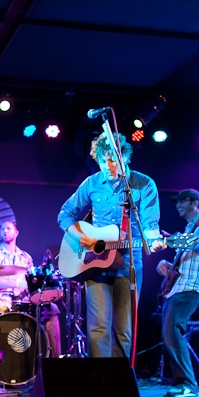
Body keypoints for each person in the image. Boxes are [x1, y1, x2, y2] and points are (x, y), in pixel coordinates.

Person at [57, 132, 164, 359]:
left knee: (124, 330)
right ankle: (99, 381)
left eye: (113, 159)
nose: (108, 165)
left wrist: (154, 241)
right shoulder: (92, 183)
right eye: (103, 160)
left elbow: (150, 222)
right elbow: (65, 214)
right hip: (95, 263)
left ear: (125, 156)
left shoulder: (143, 184)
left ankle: (119, 382)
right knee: (98, 327)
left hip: (129, 264)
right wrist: (80, 236)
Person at [156, 188, 199, 397]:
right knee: (170, 333)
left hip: (192, 286)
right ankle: (196, 380)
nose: (177, 205)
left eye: (181, 201)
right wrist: (167, 267)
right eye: (176, 202)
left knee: (172, 330)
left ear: (194, 202)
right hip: (179, 286)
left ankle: (187, 384)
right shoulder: (188, 230)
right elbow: (184, 264)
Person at [0, 220, 62, 358]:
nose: (5, 231)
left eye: (8, 228)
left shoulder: (25, 257)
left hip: (23, 300)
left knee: (52, 308)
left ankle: (55, 361)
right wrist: (16, 284)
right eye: (2, 230)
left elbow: (31, 283)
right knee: (1, 306)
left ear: (16, 232)